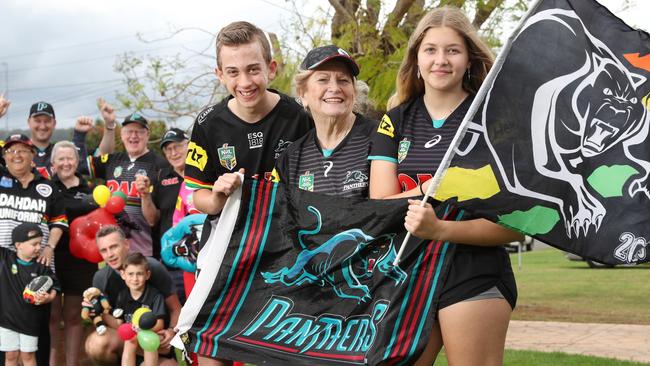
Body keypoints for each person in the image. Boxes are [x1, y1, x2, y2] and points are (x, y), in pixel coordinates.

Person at [367, 7, 521, 365]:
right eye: (431, 50)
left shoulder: (492, 121)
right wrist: (439, 186)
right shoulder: (394, 121)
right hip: (408, 271)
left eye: (452, 50)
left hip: (473, 270)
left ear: (468, 59)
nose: (441, 60)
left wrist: (440, 228)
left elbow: (512, 226)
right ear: (416, 59)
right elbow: (379, 205)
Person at [184, 20, 312, 366]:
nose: (245, 82)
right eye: (233, 71)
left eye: (253, 69)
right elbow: (198, 196)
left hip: (284, 254)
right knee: (211, 350)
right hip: (226, 248)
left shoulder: (298, 116)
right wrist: (219, 195)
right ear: (219, 74)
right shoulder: (208, 122)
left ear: (271, 68)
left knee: (288, 353)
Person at [272, 45, 377, 198]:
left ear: (354, 92)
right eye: (323, 80)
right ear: (303, 94)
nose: (334, 88)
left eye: (343, 80)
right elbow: (279, 216)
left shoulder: (380, 138)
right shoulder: (290, 159)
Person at [84, 225, 180, 365]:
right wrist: (94, 309)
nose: (109, 254)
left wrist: (171, 332)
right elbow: (105, 316)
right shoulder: (101, 278)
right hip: (126, 336)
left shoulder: (151, 267)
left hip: (155, 340)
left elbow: (175, 308)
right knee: (95, 344)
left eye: (114, 247)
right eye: (104, 250)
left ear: (126, 244)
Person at [86, 113, 169, 257]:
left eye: (139, 131)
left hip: (146, 251)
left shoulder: (161, 164)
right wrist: (108, 127)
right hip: (113, 252)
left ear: (147, 135)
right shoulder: (113, 160)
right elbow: (81, 164)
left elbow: (161, 214)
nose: (133, 136)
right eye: (129, 131)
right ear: (122, 135)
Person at [48, 141, 100, 366]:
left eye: (70, 158)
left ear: (77, 161)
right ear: (53, 164)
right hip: (50, 258)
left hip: (80, 262)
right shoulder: (46, 187)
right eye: (61, 159)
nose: (66, 163)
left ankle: (71, 363)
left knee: (72, 316)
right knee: (51, 317)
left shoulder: (88, 189)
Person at [139, 127, 199, 302]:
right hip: (174, 259)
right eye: (168, 149)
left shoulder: (203, 172)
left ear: (189, 145)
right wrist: (145, 196)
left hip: (204, 256)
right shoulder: (161, 177)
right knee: (179, 314)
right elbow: (152, 219)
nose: (173, 153)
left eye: (178, 146)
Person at [0, 223, 60, 366]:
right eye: (34, 244)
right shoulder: (5, 258)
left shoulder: (42, 266)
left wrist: (49, 298)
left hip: (30, 320)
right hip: (6, 320)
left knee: (28, 355)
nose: (39, 248)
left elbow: (55, 285)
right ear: (18, 245)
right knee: (10, 355)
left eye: (40, 243)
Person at [26, 100, 116, 178]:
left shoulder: (63, 151)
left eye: (47, 121)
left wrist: (109, 124)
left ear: (54, 123)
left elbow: (104, 158)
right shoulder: (17, 152)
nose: (42, 126)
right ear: (29, 122)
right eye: (37, 121)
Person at [115, 252, 166, 366]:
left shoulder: (155, 296)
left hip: (151, 334)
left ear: (147, 275)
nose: (135, 278)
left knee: (149, 343)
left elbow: (160, 324)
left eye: (139, 274)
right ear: (123, 275)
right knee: (129, 341)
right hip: (132, 335)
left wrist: (142, 329)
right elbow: (119, 322)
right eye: (130, 274)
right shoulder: (122, 296)